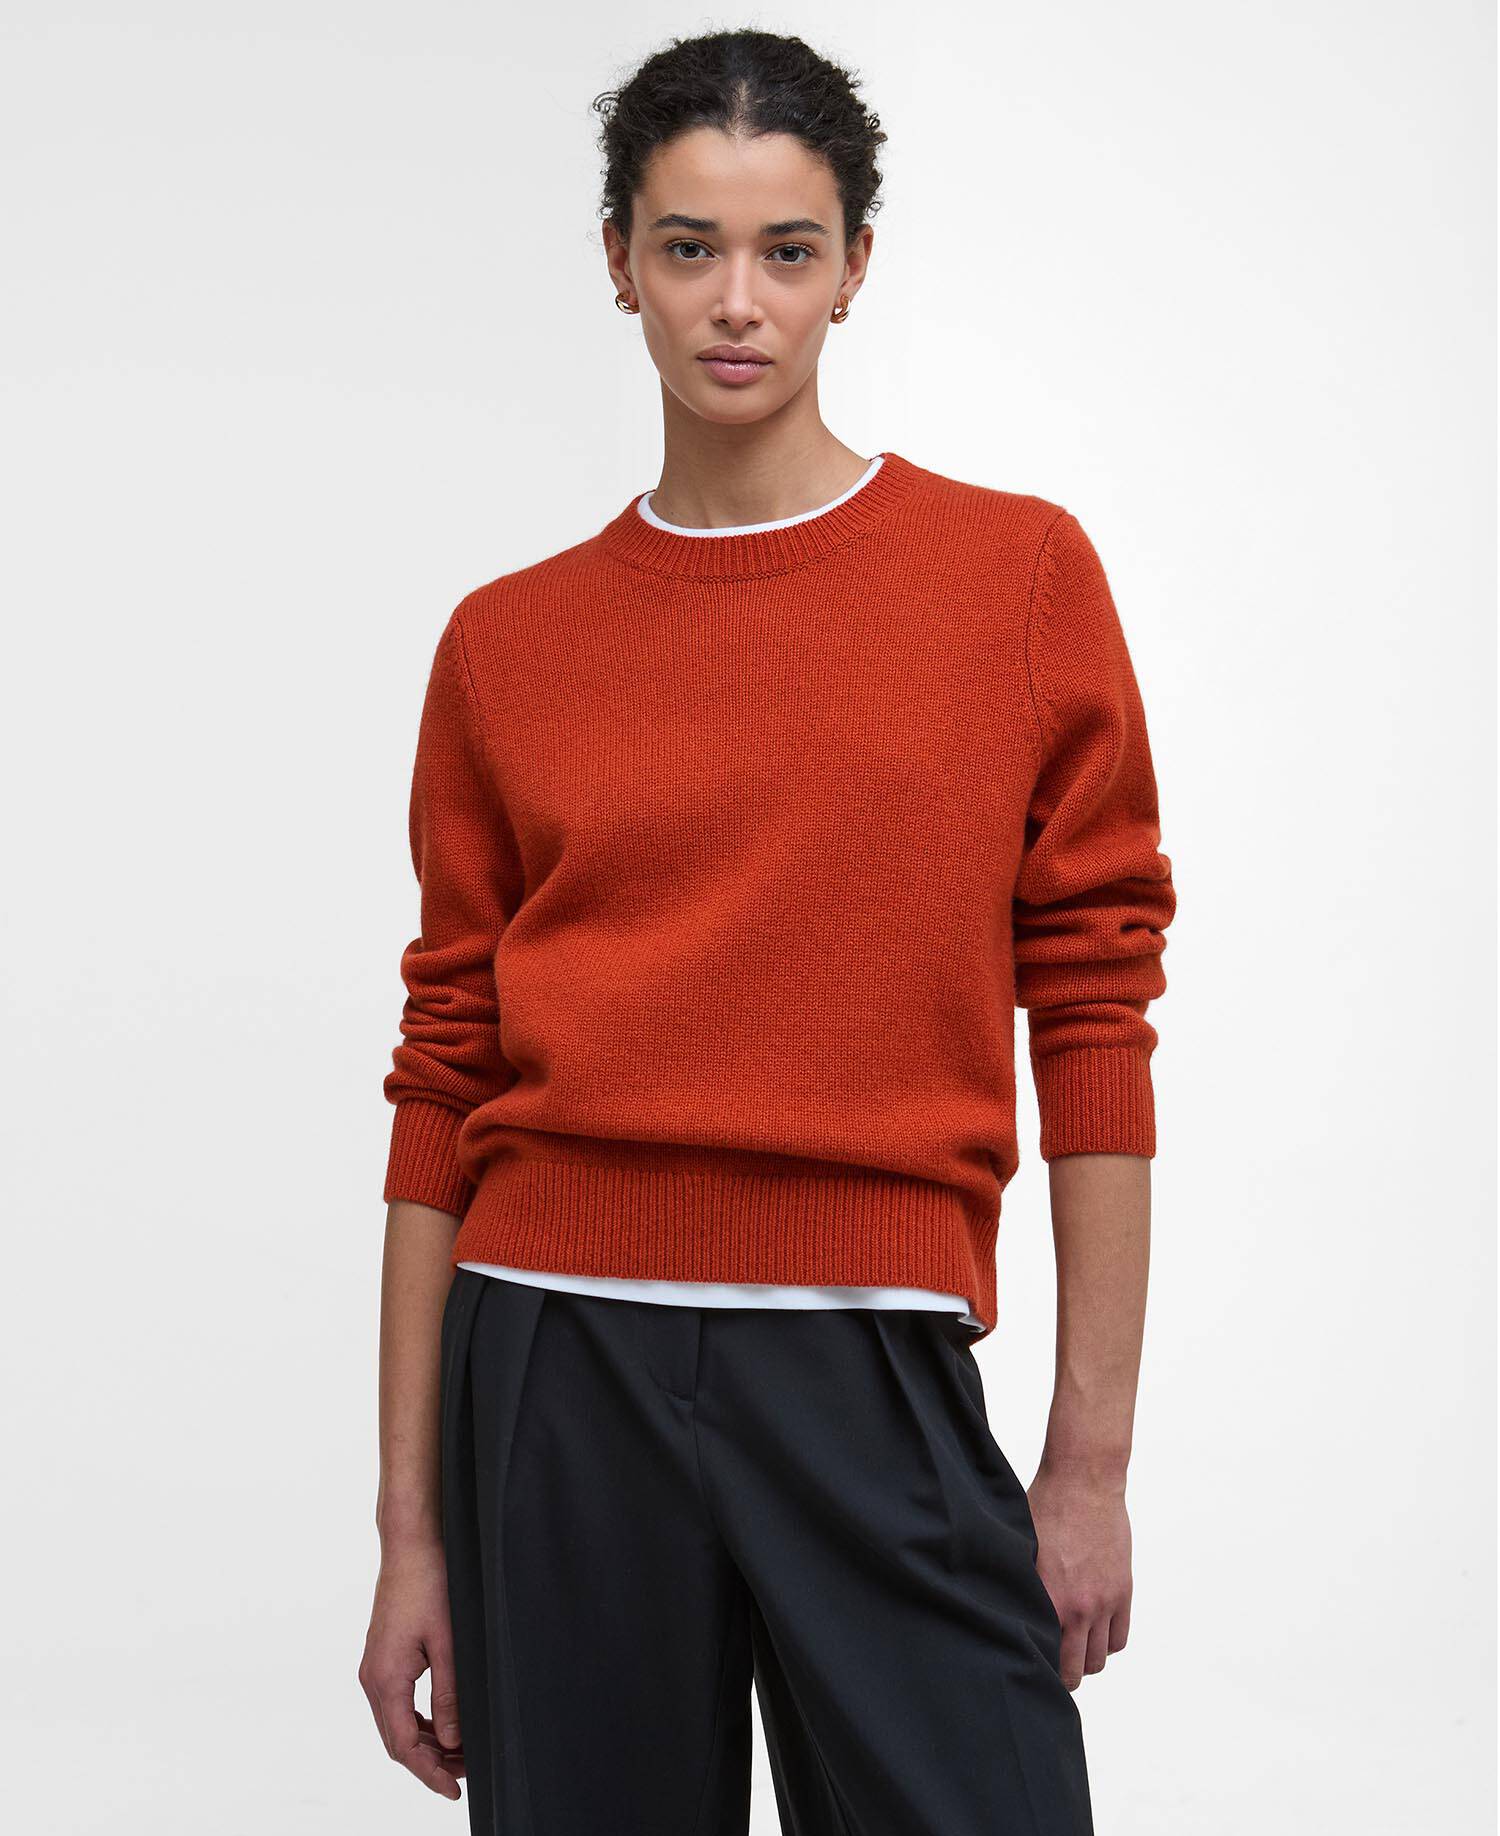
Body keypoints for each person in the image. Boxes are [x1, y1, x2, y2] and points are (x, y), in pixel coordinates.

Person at [359, 26, 1176, 1836]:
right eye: (690, 247)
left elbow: (1095, 1012)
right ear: (620, 264)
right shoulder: (508, 643)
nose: (738, 302)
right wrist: (412, 1533)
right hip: (555, 1362)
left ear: (854, 267)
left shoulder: (1015, 581)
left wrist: (1089, 1465)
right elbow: (444, 1072)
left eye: (787, 250)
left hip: (870, 1359)